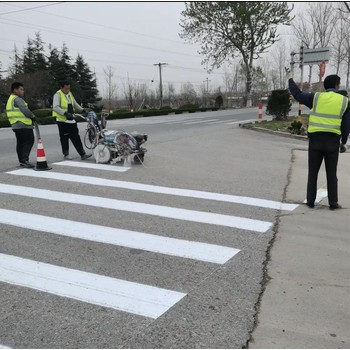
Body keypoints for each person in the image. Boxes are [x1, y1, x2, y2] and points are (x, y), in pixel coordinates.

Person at [288, 73, 350, 210]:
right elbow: (346, 125)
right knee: (331, 174)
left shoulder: (315, 97)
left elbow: (298, 95)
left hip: (315, 141)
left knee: (313, 172)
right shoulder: (344, 101)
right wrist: (343, 142)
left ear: (325, 86)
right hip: (333, 142)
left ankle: (310, 201)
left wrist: (290, 81)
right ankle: (333, 203)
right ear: (337, 85)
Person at [52, 81, 91, 160]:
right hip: (62, 120)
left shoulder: (70, 94)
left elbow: (75, 104)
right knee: (64, 138)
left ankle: (82, 154)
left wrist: (82, 110)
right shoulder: (58, 95)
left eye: (69, 88)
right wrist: (65, 113)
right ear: (61, 88)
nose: (68, 90)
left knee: (76, 137)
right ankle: (66, 155)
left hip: (71, 119)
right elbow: (55, 107)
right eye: (66, 89)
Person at [6, 82, 36, 168]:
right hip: (23, 124)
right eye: (21, 89)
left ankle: (22, 160)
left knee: (20, 143)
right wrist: (32, 116)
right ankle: (25, 160)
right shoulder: (17, 99)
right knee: (29, 140)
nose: (23, 91)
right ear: (15, 90)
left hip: (15, 125)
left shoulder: (10, 99)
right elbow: (24, 109)